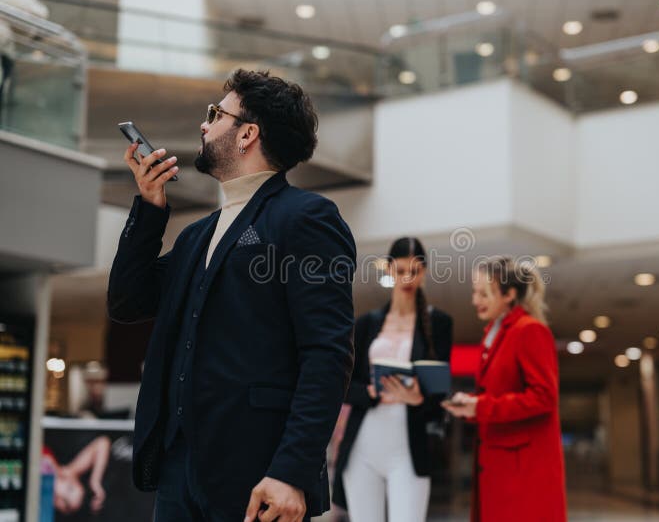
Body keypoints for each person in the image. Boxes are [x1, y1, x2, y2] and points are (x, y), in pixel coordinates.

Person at [107, 69, 356, 522]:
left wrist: (292, 471)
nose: (204, 126)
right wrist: (150, 206)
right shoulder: (196, 236)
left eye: (214, 115)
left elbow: (327, 353)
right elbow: (127, 302)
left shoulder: (307, 218)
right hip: (177, 469)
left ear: (247, 133)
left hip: (257, 473)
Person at [332, 237, 453, 522]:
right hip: (363, 444)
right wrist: (371, 391)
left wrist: (420, 398)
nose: (407, 278)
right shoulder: (366, 324)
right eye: (400, 271)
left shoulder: (439, 324)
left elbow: (440, 391)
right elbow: (343, 386)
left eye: (415, 270)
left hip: (408, 447)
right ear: (388, 269)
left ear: (424, 271)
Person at [443, 256, 566, 522]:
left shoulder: (529, 331)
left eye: (483, 293)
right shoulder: (498, 335)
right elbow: (499, 396)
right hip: (500, 470)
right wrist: (471, 406)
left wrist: (481, 406)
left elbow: (544, 398)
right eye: (475, 292)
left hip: (522, 476)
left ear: (509, 294)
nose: (475, 300)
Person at [42, 436, 111, 515]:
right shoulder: (51, 464)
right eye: (69, 488)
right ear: (70, 477)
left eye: (66, 505)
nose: (62, 494)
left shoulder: (41, 502)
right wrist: (95, 481)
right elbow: (102, 443)